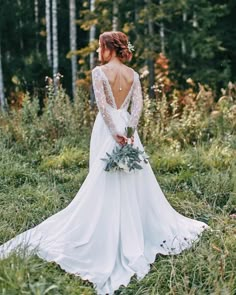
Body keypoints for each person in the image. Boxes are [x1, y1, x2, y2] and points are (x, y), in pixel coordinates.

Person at [0, 31, 209, 295]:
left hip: (109, 128)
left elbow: (101, 105)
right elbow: (138, 106)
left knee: (103, 174)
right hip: (129, 130)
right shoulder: (133, 74)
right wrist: (130, 133)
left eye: (100, 46)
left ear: (108, 47)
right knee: (132, 176)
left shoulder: (100, 73)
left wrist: (114, 134)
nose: (99, 51)